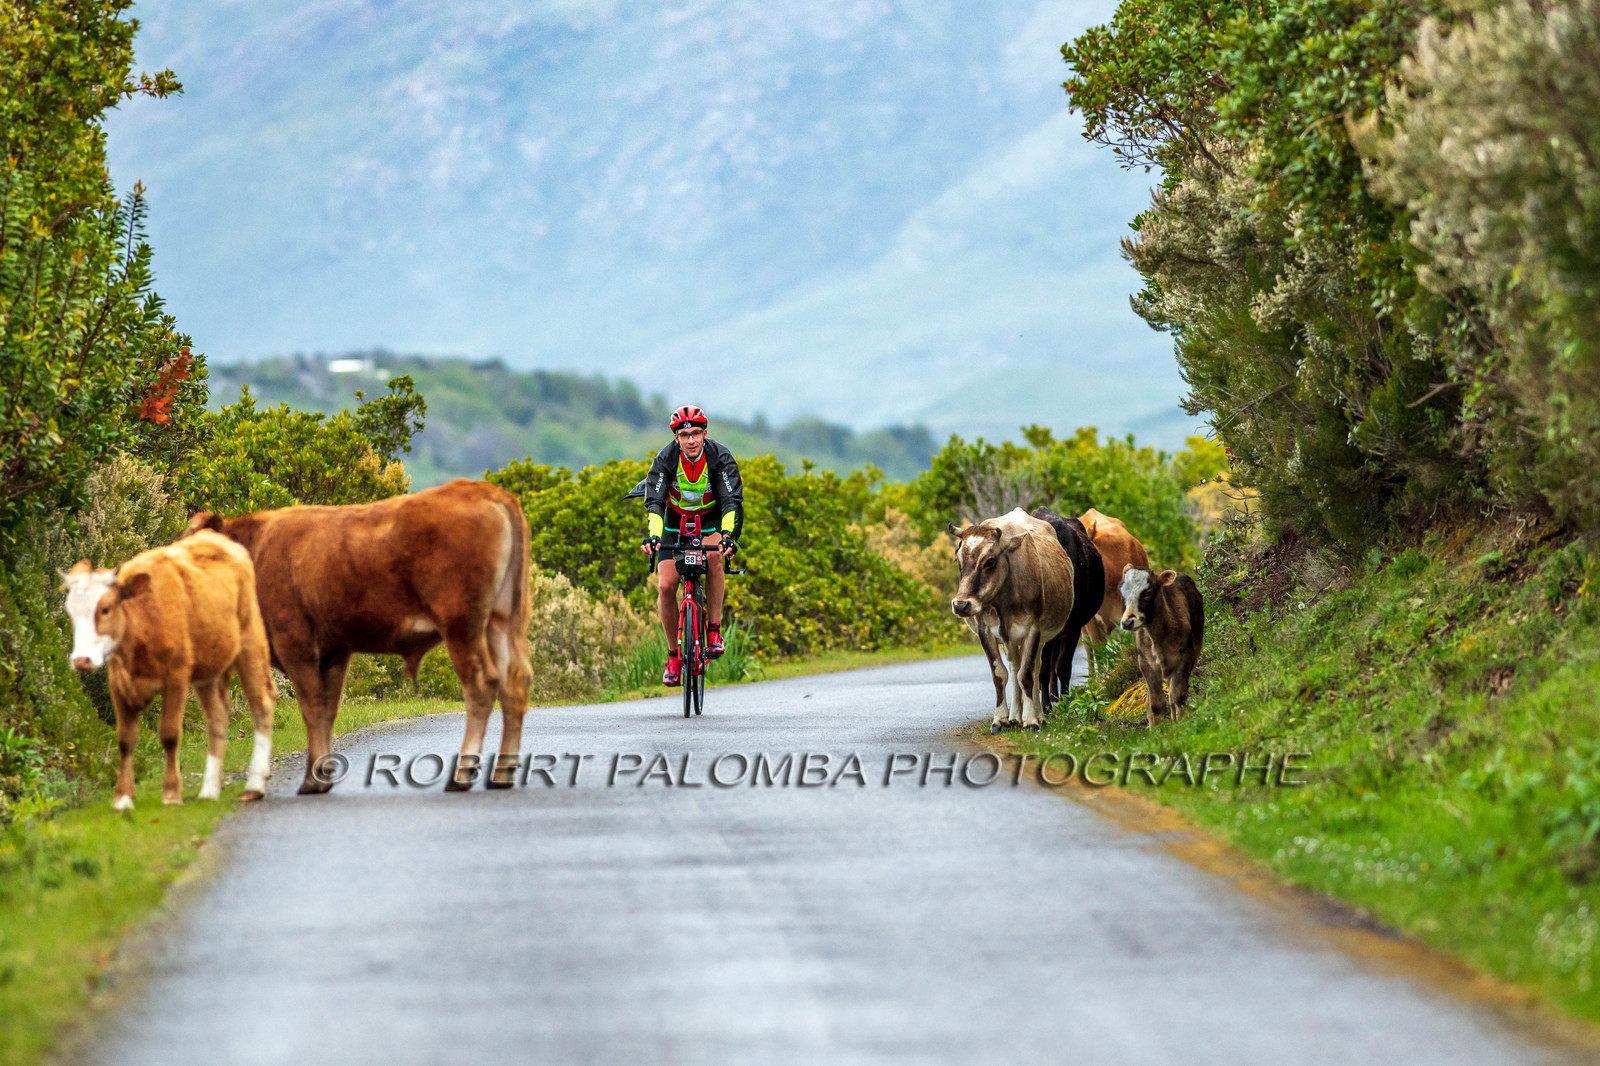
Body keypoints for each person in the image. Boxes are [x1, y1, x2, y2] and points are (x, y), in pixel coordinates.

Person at [639, 405, 744, 685]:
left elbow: (732, 501)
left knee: (714, 559)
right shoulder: (665, 460)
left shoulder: (720, 458)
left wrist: (727, 535)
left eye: (696, 433)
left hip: (709, 520)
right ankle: (673, 655)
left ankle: (713, 630)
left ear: (705, 434)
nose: (691, 440)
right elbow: (655, 504)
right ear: (676, 438)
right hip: (674, 522)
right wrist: (654, 536)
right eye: (684, 435)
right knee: (665, 586)